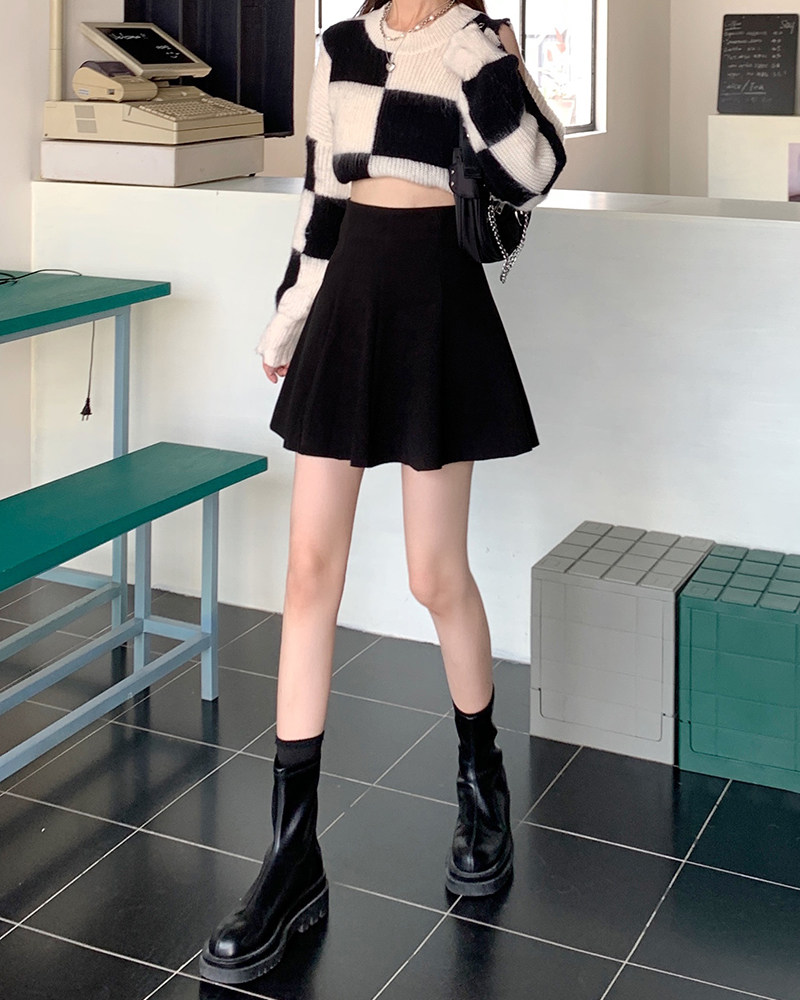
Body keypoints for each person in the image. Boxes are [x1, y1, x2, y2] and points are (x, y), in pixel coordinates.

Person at [200, 0, 566, 985]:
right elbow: (321, 198)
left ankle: (481, 787)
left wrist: (479, 59)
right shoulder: (340, 48)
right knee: (306, 570)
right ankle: (291, 858)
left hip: (439, 305)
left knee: (432, 576)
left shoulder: (476, 45)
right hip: (349, 301)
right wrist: (289, 315)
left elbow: (534, 170)